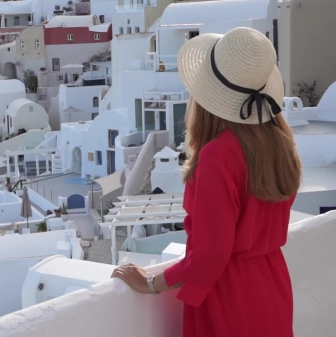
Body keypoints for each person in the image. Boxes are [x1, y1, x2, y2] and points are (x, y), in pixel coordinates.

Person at [111, 27, 302, 337]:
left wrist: (149, 283)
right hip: (272, 283)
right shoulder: (280, 143)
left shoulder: (219, 156)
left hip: (230, 296)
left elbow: (211, 254)